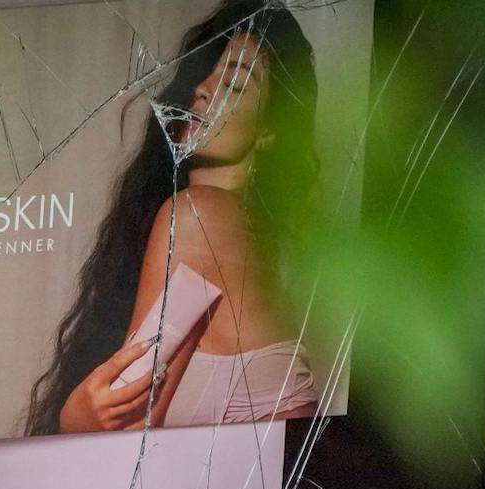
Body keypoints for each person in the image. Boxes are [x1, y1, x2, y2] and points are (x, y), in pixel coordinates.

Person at [24, 0, 322, 435]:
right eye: (203, 72)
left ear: (270, 129)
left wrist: (75, 419)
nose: (203, 90)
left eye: (235, 87)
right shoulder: (248, 237)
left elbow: (124, 430)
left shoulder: (202, 217)